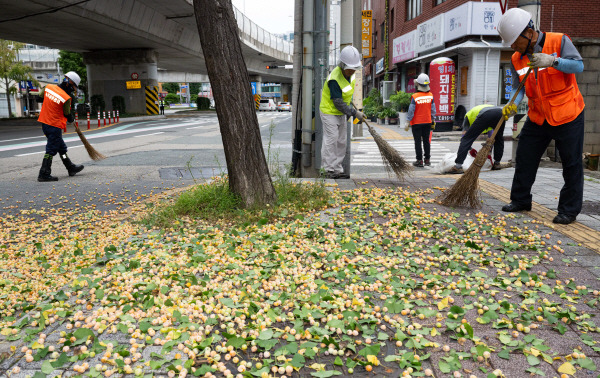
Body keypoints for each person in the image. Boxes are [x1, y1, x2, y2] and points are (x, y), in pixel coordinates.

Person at [497, 8, 585, 225]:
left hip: (567, 114)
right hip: (538, 116)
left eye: (515, 41)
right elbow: (519, 87)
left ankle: (568, 211)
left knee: (571, 164)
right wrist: (512, 105)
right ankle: (520, 200)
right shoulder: (517, 58)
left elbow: (579, 65)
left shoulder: (559, 41)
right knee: (525, 157)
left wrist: (553, 61)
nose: (512, 46)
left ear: (528, 32)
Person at [319, 46, 364, 179]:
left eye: (354, 68)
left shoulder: (352, 75)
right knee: (331, 139)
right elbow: (337, 102)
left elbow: (346, 95)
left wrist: (353, 109)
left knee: (342, 141)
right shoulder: (334, 78)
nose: (352, 71)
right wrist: (354, 113)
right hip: (329, 111)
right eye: (350, 68)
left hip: (341, 112)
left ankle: (337, 169)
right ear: (343, 65)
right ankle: (327, 169)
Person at [37, 71, 84, 182]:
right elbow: (67, 113)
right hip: (54, 125)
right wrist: (71, 118)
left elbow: (39, 98)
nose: (74, 89)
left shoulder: (48, 87)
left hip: (45, 123)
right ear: (69, 83)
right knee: (51, 149)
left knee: (61, 148)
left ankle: (70, 167)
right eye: (73, 87)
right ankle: (44, 173)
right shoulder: (66, 98)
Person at [446, 104, 505, 174]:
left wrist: (468, 147)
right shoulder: (482, 110)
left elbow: (465, 137)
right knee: (499, 138)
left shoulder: (468, 117)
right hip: (501, 113)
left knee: (466, 139)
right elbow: (492, 135)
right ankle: (497, 163)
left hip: (486, 115)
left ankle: (457, 167)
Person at [405, 73, 436, 167]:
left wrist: (407, 121)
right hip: (427, 122)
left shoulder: (415, 96)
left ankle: (419, 161)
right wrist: (433, 119)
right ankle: (427, 160)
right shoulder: (431, 96)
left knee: (418, 141)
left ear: (418, 84)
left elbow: (411, 110)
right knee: (426, 141)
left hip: (416, 123)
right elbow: (433, 110)